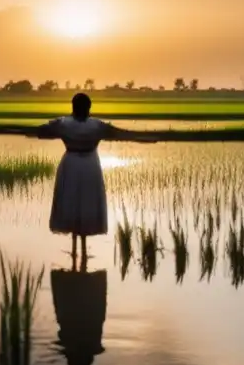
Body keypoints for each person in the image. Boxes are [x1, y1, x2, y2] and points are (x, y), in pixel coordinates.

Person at [14, 92, 157, 260]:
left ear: (73, 107)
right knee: (87, 201)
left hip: (71, 163)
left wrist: (14, 130)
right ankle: (81, 247)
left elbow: (39, 131)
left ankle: (75, 246)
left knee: (71, 200)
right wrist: (145, 138)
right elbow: (122, 134)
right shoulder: (96, 126)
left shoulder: (64, 123)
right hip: (89, 165)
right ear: (89, 108)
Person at [51, 255, 108, 365]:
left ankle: (78, 258)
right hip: (79, 306)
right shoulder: (84, 354)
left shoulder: (83, 354)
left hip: (77, 307)